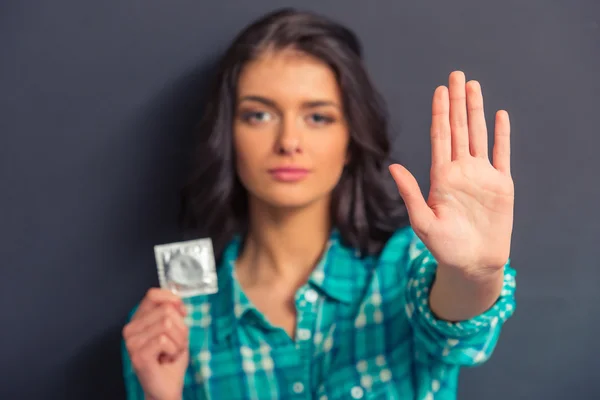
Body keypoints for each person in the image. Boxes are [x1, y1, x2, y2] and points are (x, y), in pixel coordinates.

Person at [121, 7, 517, 400]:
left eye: (318, 117)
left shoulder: (402, 267)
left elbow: (457, 328)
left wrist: (474, 275)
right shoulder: (174, 327)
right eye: (259, 115)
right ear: (228, 135)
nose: (289, 141)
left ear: (350, 138)